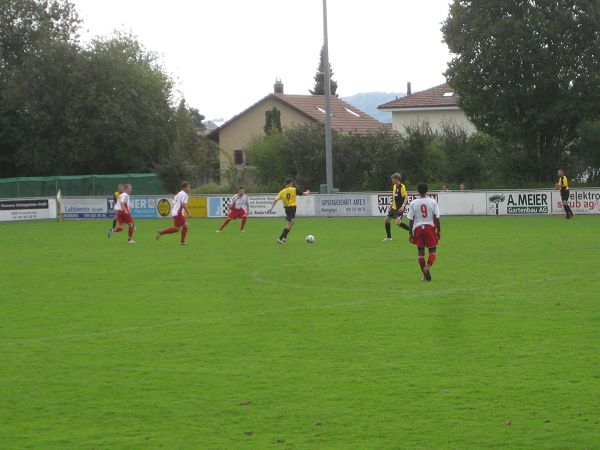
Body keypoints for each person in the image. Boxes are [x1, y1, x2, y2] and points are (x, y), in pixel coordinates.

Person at [407, 182, 441, 281]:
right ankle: (428, 267)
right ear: (427, 190)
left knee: (421, 253)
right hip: (429, 227)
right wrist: (439, 230)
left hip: (418, 228)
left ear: (418, 191)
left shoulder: (413, 203)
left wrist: (410, 233)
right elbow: (437, 217)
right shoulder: (432, 202)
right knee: (433, 250)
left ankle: (425, 275)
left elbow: (411, 219)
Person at [267, 179, 310, 244]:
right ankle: (280, 238)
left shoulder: (282, 191)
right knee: (290, 223)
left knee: (291, 223)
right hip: (292, 208)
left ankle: (284, 238)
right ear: (290, 183)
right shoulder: (293, 189)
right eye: (292, 183)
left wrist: (271, 208)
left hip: (287, 209)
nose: (292, 184)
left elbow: (276, 199)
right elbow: (303, 193)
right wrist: (307, 192)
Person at [383, 173, 410, 241]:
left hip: (399, 208)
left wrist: (403, 206)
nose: (392, 180)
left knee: (398, 223)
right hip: (394, 208)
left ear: (397, 179)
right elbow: (395, 197)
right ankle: (389, 237)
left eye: (393, 179)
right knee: (386, 220)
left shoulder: (402, 186)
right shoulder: (394, 186)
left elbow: (406, 197)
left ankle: (413, 231)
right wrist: (392, 204)